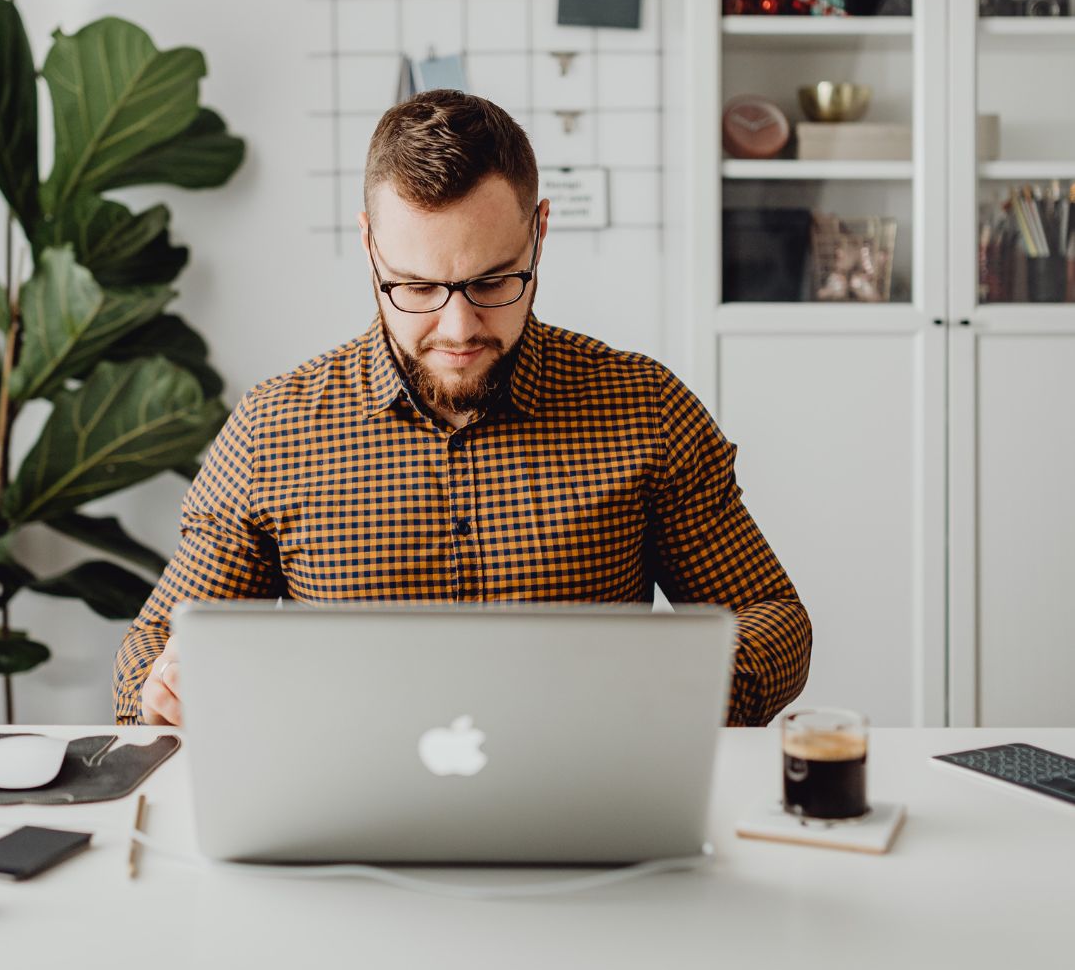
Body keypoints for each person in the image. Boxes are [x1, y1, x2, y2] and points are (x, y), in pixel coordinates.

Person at [114, 90, 811, 728]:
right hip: (346, 827)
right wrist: (162, 685)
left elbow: (773, 618)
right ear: (368, 248)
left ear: (538, 233)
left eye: (491, 281)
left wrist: (680, 692)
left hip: (584, 808)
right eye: (415, 287)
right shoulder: (274, 430)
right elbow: (154, 643)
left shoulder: (644, 409)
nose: (457, 329)